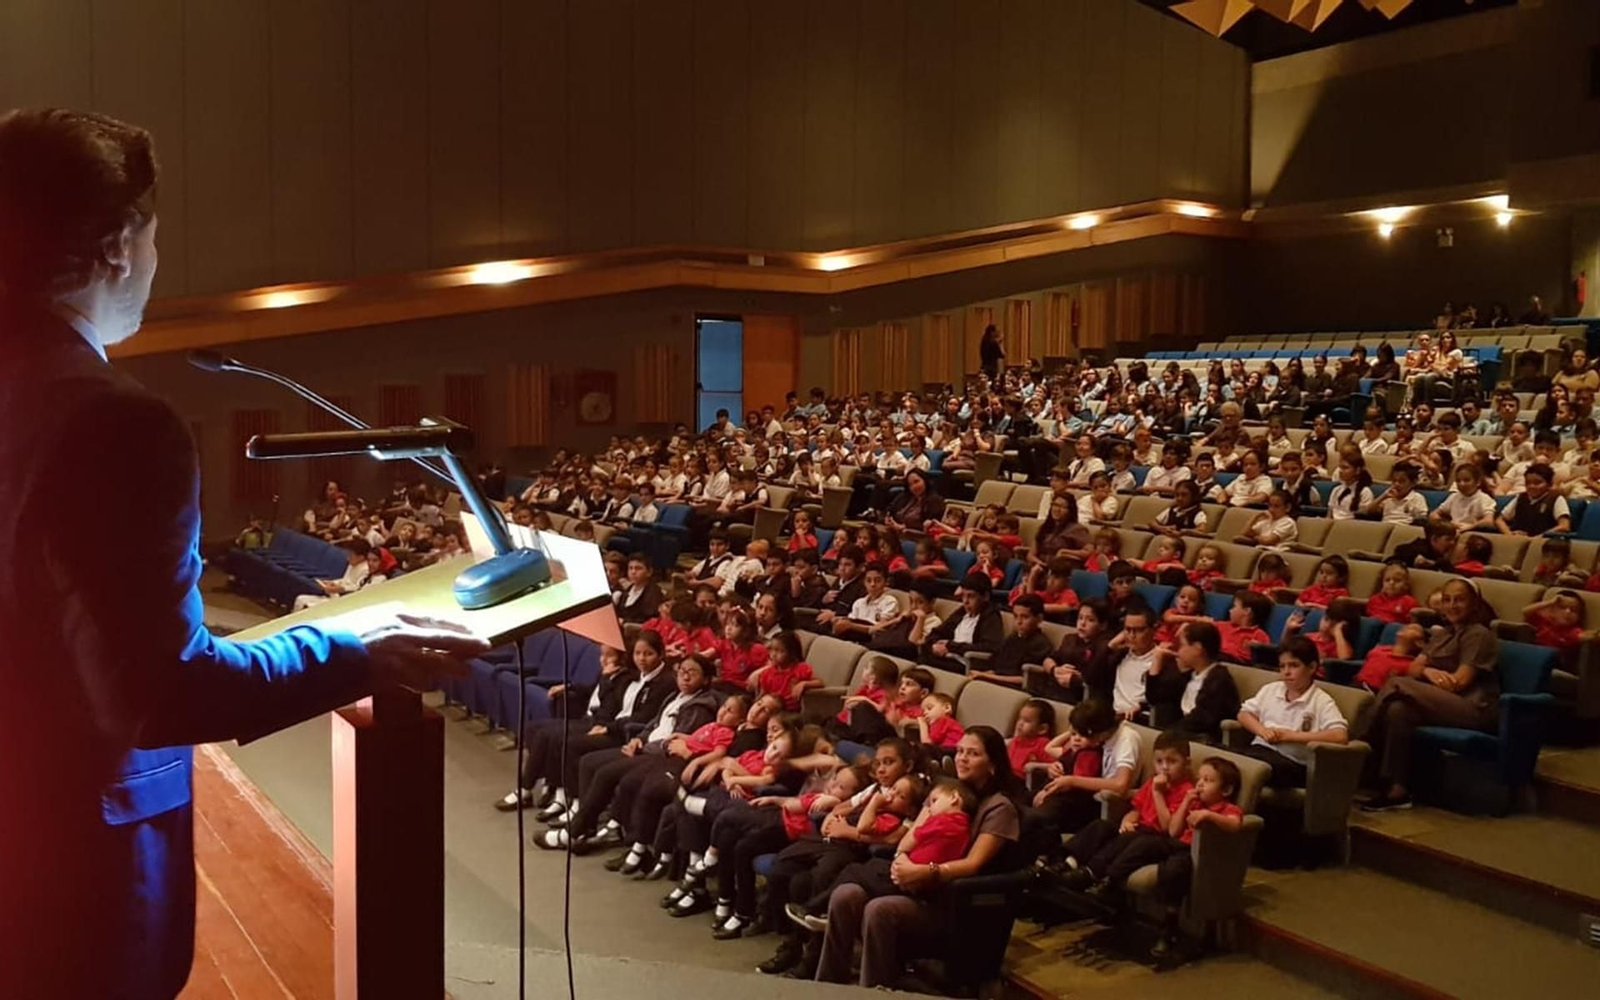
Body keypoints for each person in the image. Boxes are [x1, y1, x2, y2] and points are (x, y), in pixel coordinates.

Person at [0, 108, 491, 997]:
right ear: (117, 246)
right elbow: (160, 691)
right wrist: (360, 649)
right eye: (152, 240)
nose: (155, 264)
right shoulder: (112, 421)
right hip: (68, 886)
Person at [813, 727, 1025, 989]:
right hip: (915, 881)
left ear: (992, 763)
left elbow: (974, 864)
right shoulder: (945, 790)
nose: (962, 758)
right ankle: (826, 986)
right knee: (845, 894)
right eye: (959, 751)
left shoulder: (999, 808)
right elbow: (909, 838)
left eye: (973, 754)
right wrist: (903, 861)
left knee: (879, 909)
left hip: (952, 899)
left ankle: (875, 990)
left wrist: (928, 871)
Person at [1362, 579, 1501, 811]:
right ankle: (1397, 790)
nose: (1452, 605)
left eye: (1460, 599)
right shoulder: (1442, 634)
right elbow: (1415, 668)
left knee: (1396, 684)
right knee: (1399, 710)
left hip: (1474, 708)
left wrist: (1428, 675)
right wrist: (1429, 671)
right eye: (1447, 600)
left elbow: (1458, 683)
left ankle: (1360, 745)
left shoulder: (1479, 634)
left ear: (1474, 604)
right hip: (1438, 701)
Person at [1236, 637, 1350, 787]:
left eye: (1294, 666)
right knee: (1224, 757)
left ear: (1311, 667)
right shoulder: (1271, 689)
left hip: (1292, 762)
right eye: (1282, 666)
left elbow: (1340, 735)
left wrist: (1291, 736)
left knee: (1249, 766)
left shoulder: (1320, 700)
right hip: (1259, 750)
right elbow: (1243, 714)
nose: (1286, 672)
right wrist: (1262, 730)